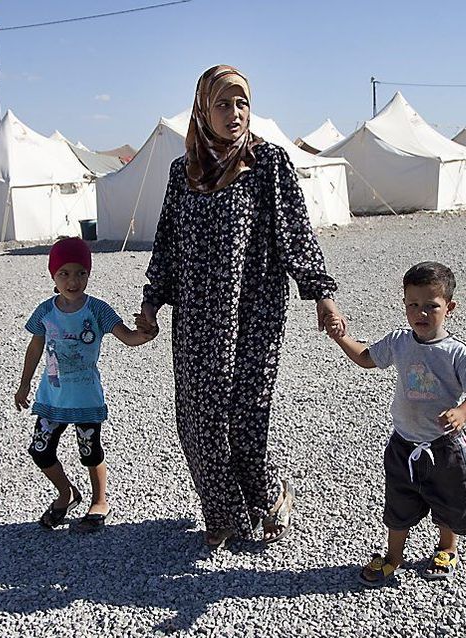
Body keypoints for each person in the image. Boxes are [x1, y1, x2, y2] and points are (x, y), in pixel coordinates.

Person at [135, 65, 346, 548]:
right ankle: (224, 513)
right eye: (223, 104)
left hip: (254, 315)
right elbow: (167, 243)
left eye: (242, 103)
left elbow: (295, 233)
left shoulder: (267, 161)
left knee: (247, 418)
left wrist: (322, 296)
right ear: (202, 110)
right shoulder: (181, 171)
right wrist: (151, 303)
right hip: (196, 320)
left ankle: (271, 497)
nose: (234, 113)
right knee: (200, 420)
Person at [330, 261, 466, 587]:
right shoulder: (399, 342)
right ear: (404, 305)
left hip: (443, 447)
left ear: (450, 307)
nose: (422, 313)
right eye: (413, 305)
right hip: (403, 443)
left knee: (447, 502)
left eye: (432, 306)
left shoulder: (455, 352)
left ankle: (447, 548)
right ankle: (393, 557)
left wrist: (463, 412)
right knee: (398, 505)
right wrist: (341, 337)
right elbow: (365, 358)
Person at [15, 237, 156, 532]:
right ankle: (66, 494)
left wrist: (146, 333)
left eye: (80, 272)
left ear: (89, 274)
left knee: (90, 451)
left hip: (85, 398)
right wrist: (24, 384)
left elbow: (128, 337)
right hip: (51, 398)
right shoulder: (45, 312)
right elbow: (34, 348)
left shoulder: (98, 310)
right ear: (53, 275)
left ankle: (99, 500)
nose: (73, 280)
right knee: (40, 451)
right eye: (64, 273)